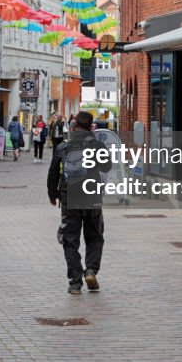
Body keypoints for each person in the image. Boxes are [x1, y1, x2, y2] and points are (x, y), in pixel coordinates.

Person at [47, 111, 111, 295]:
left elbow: (53, 173)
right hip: (92, 198)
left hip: (69, 199)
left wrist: (53, 194)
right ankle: (90, 271)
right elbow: (107, 167)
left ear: (73, 126)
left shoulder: (63, 146)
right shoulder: (98, 146)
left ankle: (75, 282)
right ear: (91, 127)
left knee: (69, 239)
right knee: (95, 237)